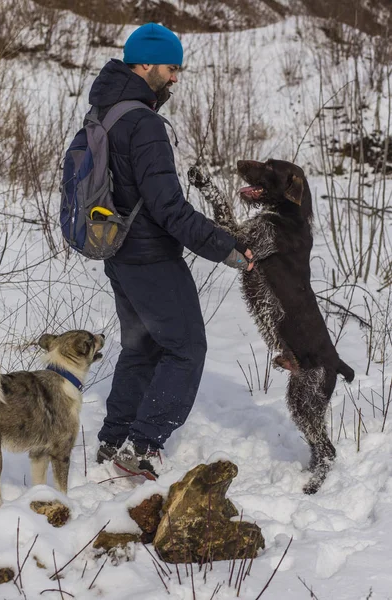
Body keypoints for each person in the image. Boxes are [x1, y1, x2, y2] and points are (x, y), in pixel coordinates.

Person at [91, 23, 253, 479]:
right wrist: (226, 246)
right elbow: (169, 208)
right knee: (186, 349)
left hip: (118, 252)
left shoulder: (105, 113)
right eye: (170, 67)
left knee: (141, 347)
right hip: (149, 255)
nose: (176, 78)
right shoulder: (143, 124)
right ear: (145, 63)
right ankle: (141, 446)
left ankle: (111, 441)